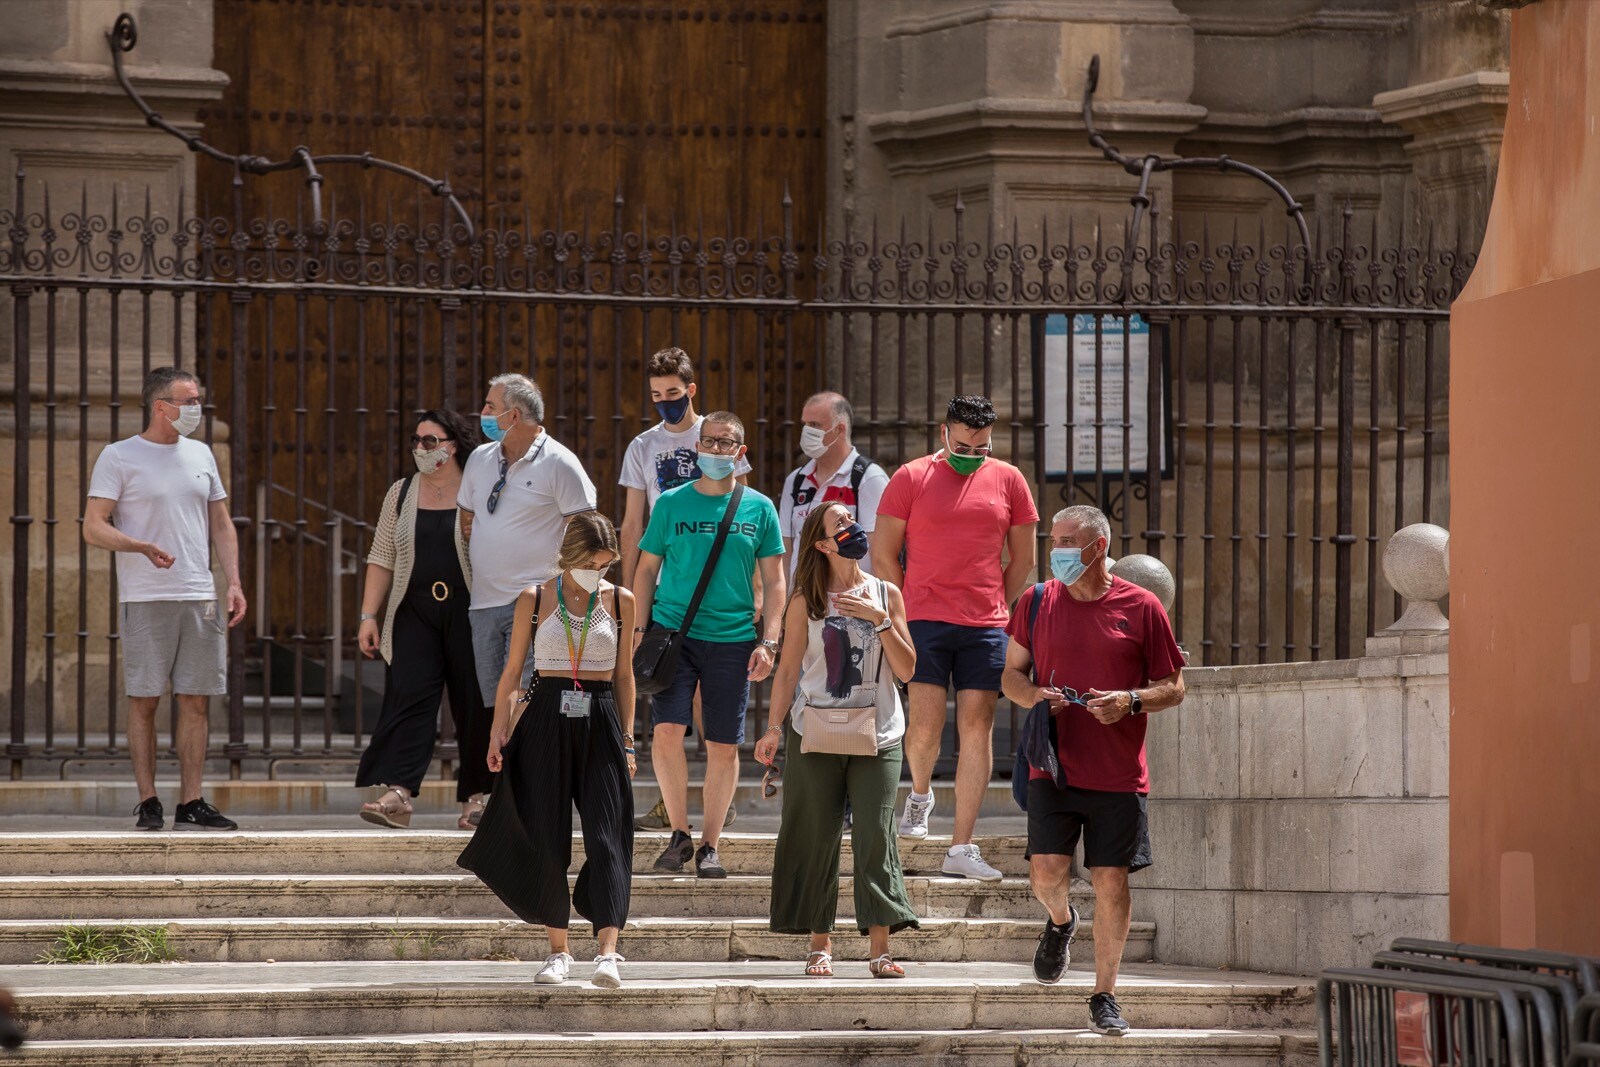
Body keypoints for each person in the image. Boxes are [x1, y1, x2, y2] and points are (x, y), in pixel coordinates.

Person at [1000, 505, 1185, 1035]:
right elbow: (1010, 675)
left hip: (1119, 774)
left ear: (1098, 547)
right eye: (1051, 538)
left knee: (1111, 880)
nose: (1053, 549)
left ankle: (1104, 993)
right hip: (1052, 766)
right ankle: (1060, 921)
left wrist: (1130, 700)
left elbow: (1174, 687)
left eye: (1065, 540)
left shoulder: (1143, 606)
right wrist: (1035, 695)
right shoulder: (1035, 601)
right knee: (1046, 873)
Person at [458, 513, 637, 988]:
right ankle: (558, 950)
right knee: (545, 833)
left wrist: (628, 738)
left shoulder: (621, 601)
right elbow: (513, 670)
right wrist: (499, 731)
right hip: (545, 715)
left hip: (600, 716)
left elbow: (624, 676)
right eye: (591, 562)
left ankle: (608, 952)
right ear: (571, 555)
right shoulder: (534, 598)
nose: (597, 572)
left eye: (605, 563)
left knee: (607, 833)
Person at [871, 394, 1038, 880]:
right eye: (964, 445)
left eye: (982, 448)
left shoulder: (1010, 480)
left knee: (976, 727)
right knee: (923, 726)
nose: (973, 455)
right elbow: (884, 556)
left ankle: (962, 845)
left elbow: (1022, 560)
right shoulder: (911, 476)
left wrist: (996, 607)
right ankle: (920, 794)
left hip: (985, 624)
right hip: (921, 618)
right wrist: (899, 615)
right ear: (944, 433)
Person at [754, 502, 919, 979]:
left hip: (880, 733)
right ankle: (819, 945)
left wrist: (880, 619)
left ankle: (880, 950)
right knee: (814, 833)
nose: (852, 526)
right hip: (814, 730)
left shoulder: (887, 593)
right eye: (840, 524)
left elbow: (908, 670)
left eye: (852, 518)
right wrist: (772, 728)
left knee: (876, 833)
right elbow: (787, 672)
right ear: (823, 544)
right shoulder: (807, 599)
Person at [82, 367, 246, 831]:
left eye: (197, 400)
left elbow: (221, 524)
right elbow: (93, 525)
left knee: (196, 700)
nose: (196, 409)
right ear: (161, 407)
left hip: (199, 594)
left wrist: (232, 581)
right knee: (145, 700)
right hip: (146, 595)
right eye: (188, 401)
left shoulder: (201, 453)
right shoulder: (119, 456)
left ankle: (191, 801)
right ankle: (149, 800)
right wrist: (139, 546)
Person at [633, 411, 786, 877]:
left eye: (727, 443)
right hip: (672, 634)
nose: (717, 450)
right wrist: (639, 632)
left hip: (734, 638)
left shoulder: (759, 508)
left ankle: (710, 845)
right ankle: (678, 833)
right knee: (666, 732)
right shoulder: (671, 504)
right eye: (710, 441)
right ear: (696, 448)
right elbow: (644, 570)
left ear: (740, 452)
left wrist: (771, 641)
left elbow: (775, 581)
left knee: (722, 744)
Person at [618, 347, 751, 831]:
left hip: (720, 600)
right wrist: (629, 600)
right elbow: (634, 524)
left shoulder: (718, 436)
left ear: (691, 390)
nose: (665, 402)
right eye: (656, 396)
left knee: (711, 716)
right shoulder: (642, 446)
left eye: (673, 393)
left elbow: (743, 512)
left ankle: (717, 799)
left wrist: (754, 595)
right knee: (667, 714)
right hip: (670, 594)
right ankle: (675, 808)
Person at [457, 373, 598, 824]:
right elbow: (466, 516)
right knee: (494, 702)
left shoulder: (560, 463)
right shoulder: (480, 458)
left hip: (540, 605)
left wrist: (563, 593)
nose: (482, 414)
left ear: (512, 415)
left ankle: (527, 799)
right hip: (484, 602)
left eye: (488, 405)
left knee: (533, 702)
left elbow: (587, 530)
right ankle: (508, 794)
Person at [355, 409, 486, 829]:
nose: (421, 449)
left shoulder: (480, 488)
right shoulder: (401, 491)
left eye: (430, 441)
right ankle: (399, 794)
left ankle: (477, 798)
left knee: (475, 704)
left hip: (471, 610)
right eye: (416, 441)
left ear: (453, 444)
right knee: (408, 698)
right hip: (412, 611)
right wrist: (368, 615)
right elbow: (381, 557)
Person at [777, 391, 889, 577]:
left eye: (814, 425)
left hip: (849, 602)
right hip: (803, 601)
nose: (806, 432)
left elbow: (880, 554)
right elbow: (786, 548)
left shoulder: (868, 479)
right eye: (804, 424)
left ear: (840, 429)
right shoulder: (796, 480)